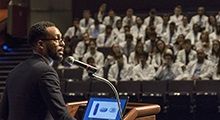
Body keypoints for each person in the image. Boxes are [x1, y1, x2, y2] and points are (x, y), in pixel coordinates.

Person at [0, 21, 76, 120]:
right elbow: (61, 116)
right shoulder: (46, 72)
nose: (62, 43)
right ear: (41, 44)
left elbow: (3, 115)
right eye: (57, 39)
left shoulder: (14, 72)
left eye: (61, 39)